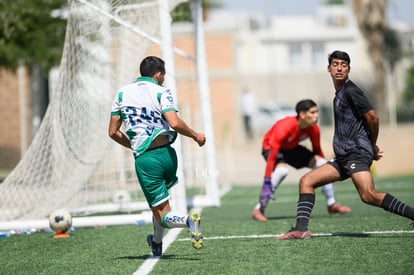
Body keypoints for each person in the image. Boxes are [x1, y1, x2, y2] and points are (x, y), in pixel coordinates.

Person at [277, 50, 414, 240]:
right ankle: (301, 229)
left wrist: (372, 145)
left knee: (368, 195)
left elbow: (373, 117)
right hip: (344, 157)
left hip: (355, 154)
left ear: (348, 69)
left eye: (344, 65)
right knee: (306, 182)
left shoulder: (351, 91)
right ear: (329, 68)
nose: (339, 68)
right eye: (335, 64)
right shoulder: (339, 94)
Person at [108, 56, 206, 255]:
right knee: (158, 206)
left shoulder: (121, 93)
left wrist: (133, 145)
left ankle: (188, 221)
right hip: (169, 156)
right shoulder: (162, 92)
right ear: (158, 74)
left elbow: (112, 132)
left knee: (162, 214)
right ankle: (156, 243)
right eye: (163, 76)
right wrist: (196, 135)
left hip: (147, 160)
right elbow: (174, 123)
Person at [252, 99, 351, 222]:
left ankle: (331, 204)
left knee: (321, 164)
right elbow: (272, 155)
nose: (317, 115)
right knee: (282, 171)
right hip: (271, 148)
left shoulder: (313, 128)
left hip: (292, 148)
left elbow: (317, 150)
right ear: (302, 115)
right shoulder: (285, 127)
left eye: (317, 112)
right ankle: (259, 208)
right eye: (313, 112)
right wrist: (267, 181)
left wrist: (326, 169)